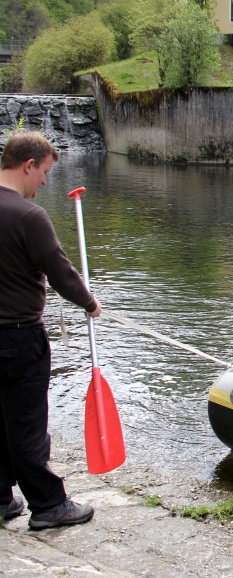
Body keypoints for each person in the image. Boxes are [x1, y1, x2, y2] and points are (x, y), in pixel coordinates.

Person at [0, 131, 100, 530]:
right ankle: (48, 505)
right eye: (43, 173)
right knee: (26, 426)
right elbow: (59, 270)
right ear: (28, 166)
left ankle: (2, 499)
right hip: (19, 336)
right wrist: (90, 304)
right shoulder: (27, 215)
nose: (44, 182)